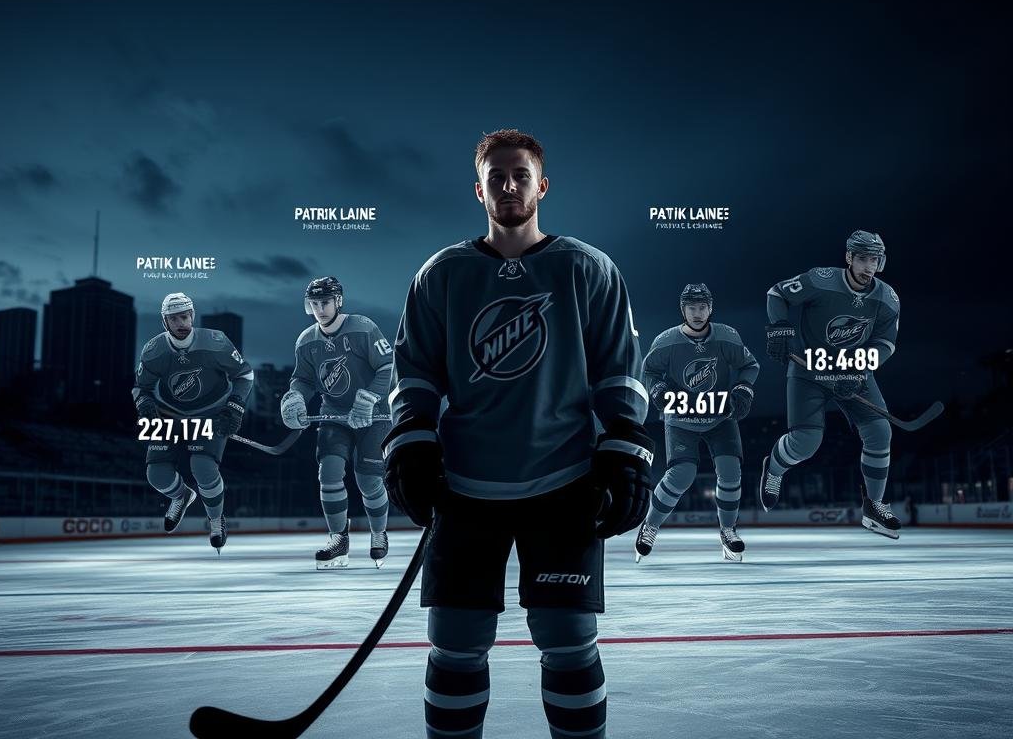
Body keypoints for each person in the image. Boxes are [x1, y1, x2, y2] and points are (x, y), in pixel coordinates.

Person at [382, 129, 653, 739]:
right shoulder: (440, 274)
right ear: (479, 189)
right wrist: (412, 436)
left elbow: (619, 373)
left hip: (564, 483)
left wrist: (625, 446)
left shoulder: (588, 269)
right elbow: (415, 374)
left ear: (542, 185)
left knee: (567, 640)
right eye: (497, 176)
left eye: (521, 174)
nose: (509, 185)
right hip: (464, 485)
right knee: (454, 642)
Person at [759, 231, 902, 538]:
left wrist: (858, 366)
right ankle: (774, 468)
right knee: (805, 443)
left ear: (881, 262)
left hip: (854, 371)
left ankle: (874, 505)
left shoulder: (887, 298)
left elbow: (885, 343)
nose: (867, 267)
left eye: (874, 260)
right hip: (809, 370)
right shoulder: (820, 280)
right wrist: (780, 327)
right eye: (862, 259)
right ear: (849, 258)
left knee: (880, 431)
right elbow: (776, 293)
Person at [635, 283, 759, 562]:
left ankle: (728, 530)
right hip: (681, 418)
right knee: (682, 475)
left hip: (720, 416)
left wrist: (743, 389)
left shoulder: (727, 337)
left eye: (702, 307)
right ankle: (650, 526)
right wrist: (657, 391)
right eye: (692, 307)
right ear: (683, 310)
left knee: (730, 471)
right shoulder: (666, 341)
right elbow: (650, 371)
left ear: (711, 308)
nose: (697, 312)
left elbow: (750, 365)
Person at [280, 277, 393, 568]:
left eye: (325, 302)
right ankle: (338, 538)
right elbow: (302, 379)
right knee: (329, 473)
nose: (320, 308)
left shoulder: (363, 328)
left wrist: (369, 398)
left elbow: (387, 367)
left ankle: (378, 533)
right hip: (334, 414)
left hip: (373, 415)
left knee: (369, 480)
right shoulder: (306, 341)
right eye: (314, 303)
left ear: (338, 301)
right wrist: (295, 397)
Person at [132, 292, 253, 553]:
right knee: (157, 475)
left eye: (184, 316)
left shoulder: (216, 342)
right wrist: (144, 404)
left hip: (209, 413)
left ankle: (215, 518)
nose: (181, 323)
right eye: (174, 318)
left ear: (192, 316)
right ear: (165, 322)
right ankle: (181, 496)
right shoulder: (154, 350)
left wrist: (235, 406)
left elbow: (245, 374)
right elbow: (140, 388)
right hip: (169, 415)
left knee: (203, 468)